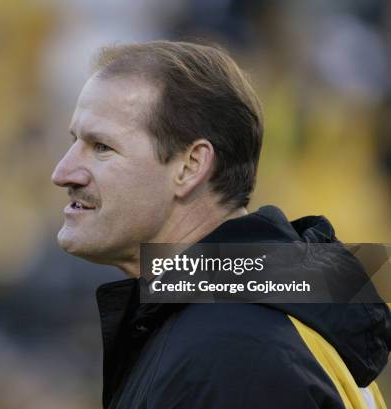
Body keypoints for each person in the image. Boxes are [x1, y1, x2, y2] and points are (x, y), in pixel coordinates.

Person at [51, 41, 391, 409]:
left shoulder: (232, 352)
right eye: (74, 142)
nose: (63, 173)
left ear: (191, 165)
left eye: (101, 146)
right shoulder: (245, 318)